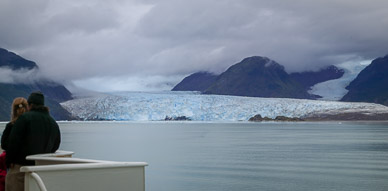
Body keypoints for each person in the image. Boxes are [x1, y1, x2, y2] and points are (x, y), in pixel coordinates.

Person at [5, 92, 61, 191]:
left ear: (30, 105)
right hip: (41, 170)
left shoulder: (24, 118)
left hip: (21, 169)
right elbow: (56, 145)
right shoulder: (53, 122)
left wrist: (9, 161)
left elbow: (13, 142)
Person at [0, 98, 28, 191]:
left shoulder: (11, 125)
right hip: (30, 162)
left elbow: (4, 144)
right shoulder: (30, 125)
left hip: (14, 164)